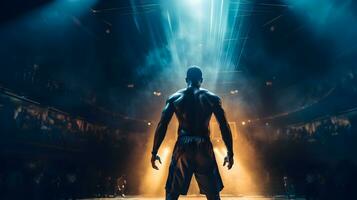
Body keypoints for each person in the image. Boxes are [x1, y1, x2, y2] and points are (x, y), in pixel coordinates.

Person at [151, 66, 234, 200]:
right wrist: (230, 152)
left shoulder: (175, 98)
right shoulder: (212, 98)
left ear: (186, 79)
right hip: (203, 145)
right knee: (213, 195)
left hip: (184, 145)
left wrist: (154, 152)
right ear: (201, 80)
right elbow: (224, 126)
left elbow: (162, 125)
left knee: (172, 193)